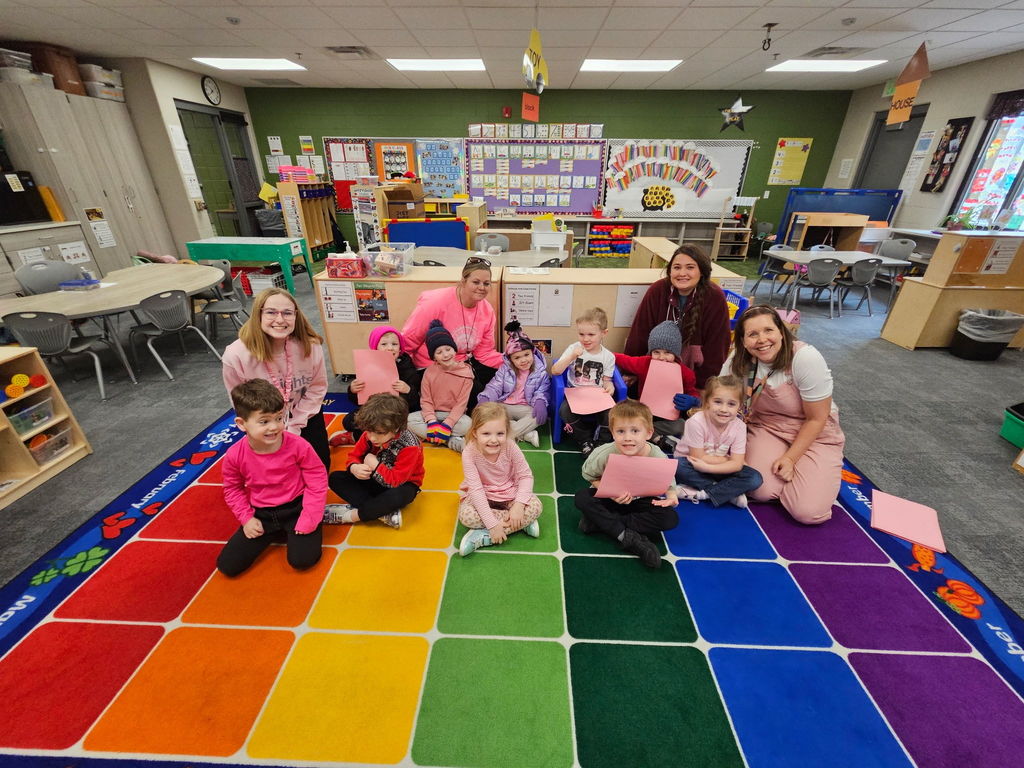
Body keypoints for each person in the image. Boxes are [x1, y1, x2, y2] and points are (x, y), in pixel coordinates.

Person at [728, 305, 845, 524]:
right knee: (758, 489)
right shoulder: (740, 359)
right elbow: (719, 392)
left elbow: (817, 419)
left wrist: (791, 458)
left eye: (768, 330)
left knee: (808, 512)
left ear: (781, 331)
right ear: (743, 341)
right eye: (753, 334)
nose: (762, 339)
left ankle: (813, 475)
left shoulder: (805, 358)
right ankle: (797, 477)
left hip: (815, 433)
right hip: (767, 427)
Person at [217, 379, 326, 576]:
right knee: (227, 566)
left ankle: (303, 525)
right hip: (262, 513)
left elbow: (317, 479)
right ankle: (277, 531)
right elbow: (232, 489)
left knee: (302, 561)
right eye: (264, 421)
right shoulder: (234, 455)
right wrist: (247, 518)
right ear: (242, 424)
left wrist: (310, 516)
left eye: (279, 418)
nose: (274, 427)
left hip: (296, 508)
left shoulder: (298, 445)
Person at [222, 287, 330, 470]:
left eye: (287, 313)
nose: (280, 320)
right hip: (264, 422)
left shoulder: (310, 346)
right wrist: (270, 425)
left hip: (304, 416)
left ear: (296, 316)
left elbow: (317, 388)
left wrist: (295, 424)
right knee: (275, 475)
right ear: (258, 315)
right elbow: (239, 401)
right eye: (271, 312)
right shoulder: (236, 355)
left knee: (319, 467)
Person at [574, 399, 679, 569]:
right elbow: (588, 475)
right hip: (610, 499)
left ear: (648, 433)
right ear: (613, 433)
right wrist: (611, 492)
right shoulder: (604, 452)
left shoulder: (657, 455)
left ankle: (602, 523)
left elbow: (668, 481)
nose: (628, 438)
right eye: (621, 431)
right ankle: (628, 537)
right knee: (582, 497)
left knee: (670, 518)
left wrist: (672, 496)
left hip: (640, 502)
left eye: (635, 431)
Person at [624, 243, 731, 388]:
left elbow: (717, 348)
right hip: (654, 371)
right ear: (669, 271)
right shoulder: (657, 290)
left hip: (693, 376)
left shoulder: (714, 297)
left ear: (702, 271)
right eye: (677, 267)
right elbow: (639, 334)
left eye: (690, 267)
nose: (682, 273)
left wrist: (700, 386)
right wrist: (630, 372)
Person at [401, 256, 503, 399]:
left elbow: (484, 352)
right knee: (474, 394)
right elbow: (408, 341)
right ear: (463, 281)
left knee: (497, 384)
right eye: (476, 282)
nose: (482, 287)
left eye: (486, 283)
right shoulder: (435, 303)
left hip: (463, 364)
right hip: (432, 365)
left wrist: (512, 361)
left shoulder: (487, 310)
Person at [326, 393, 424, 529]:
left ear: (395, 428)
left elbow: (396, 481)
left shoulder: (410, 446)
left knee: (399, 496)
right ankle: (381, 512)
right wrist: (354, 467)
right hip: (373, 479)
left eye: (379, 433)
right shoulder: (369, 435)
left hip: (402, 485)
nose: (372, 438)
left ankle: (352, 515)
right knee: (335, 478)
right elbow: (354, 456)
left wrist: (375, 465)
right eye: (369, 431)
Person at [457, 402, 543, 556]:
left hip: (509, 493)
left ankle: (483, 536)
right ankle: (520, 524)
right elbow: (476, 490)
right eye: (486, 434)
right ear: (475, 433)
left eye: (500, 433)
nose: (494, 440)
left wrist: (518, 507)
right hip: (484, 495)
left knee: (536, 506)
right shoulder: (469, 452)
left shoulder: (510, 446)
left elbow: (525, 476)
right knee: (465, 516)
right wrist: (492, 524)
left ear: (507, 432)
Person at [674, 375, 763, 509]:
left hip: (710, 467)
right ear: (707, 401)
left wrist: (711, 467)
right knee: (677, 466)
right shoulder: (696, 422)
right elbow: (697, 458)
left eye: (731, 404)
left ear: (739, 405)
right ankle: (728, 492)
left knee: (755, 477)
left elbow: (737, 465)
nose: (724, 409)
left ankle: (702, 493)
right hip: (693, 464)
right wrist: (728, 461)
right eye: (718, 402)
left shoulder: (740, 427)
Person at [614, 320, 700, 448]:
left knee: (681, 425)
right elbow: (623, 359)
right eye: (656, 352)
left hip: (669, 418)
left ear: (676, 354)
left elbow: (693, 393)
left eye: (667, 352)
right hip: (644, 412)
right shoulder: (645, 363)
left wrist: (694, 401)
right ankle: (656, 438)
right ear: (651, 352)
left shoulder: (686, 373)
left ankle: (650, 435)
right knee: (629, 420)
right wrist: (600, 353)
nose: (661, 357)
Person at [334, 325, 421, 445]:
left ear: (400, 347)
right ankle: (372, 437)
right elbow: (359, 400)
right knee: (349, 421)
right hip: (375, 409)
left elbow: (415, 400)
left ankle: (357, 437)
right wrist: (353, 390)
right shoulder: (368, 366)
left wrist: (408, 390)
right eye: (384, 344)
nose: (390, 348)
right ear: (375, 347)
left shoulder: (406, 366)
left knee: (395, 425)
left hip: (396, 412)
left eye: (394, 344)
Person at [551, 307, 617, 456]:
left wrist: (609, 386)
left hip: (597, 395)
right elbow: (555, 370)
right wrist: (571, 357)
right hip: (575, 394)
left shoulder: (608, 356)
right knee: (564, 411)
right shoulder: (573, 348)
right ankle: (585, 440)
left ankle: (602, 443)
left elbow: (607, 380)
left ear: (603, 333)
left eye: (591, 334)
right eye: (581, 334)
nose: (585, 339)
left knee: (612, 413)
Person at [476, 321, 551, 448]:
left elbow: (543, 390)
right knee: (490, 414)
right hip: (504, 406)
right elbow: (495, 386)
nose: (523, 360)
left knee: (536, 416)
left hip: (526, 407)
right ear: (510, 360)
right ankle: (524, 434)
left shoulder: (540, 371)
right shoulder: (505, 370)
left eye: (526, 355)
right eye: (517, 358)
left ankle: (502, 437)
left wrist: (540, 401)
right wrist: (485, 397)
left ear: (532, 353)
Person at [408, 320, 474, 452]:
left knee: (468, 424)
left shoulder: (466, 373)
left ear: (454, 350)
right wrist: (431, 421)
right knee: (409, 420)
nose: (445, 355)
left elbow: (461, 405)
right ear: (434, 357)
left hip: (454, 416)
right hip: (433, 414)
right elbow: (426, 400)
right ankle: (449, 441)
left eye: (448, 349)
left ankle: (435, 436)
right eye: (439, 352)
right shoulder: (429, 372)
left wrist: (448, 424)